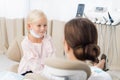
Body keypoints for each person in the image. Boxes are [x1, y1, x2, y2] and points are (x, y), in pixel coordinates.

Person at [18, 9, 55, 75]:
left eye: (45, 25)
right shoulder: (26, 43)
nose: (43, 28)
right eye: (39, 25)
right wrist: (45, 75)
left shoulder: (48, 39)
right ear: (29, 26)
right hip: (28, 70)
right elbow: (34, 65)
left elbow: (52, 57)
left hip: (45, 69)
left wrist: (51, 70)